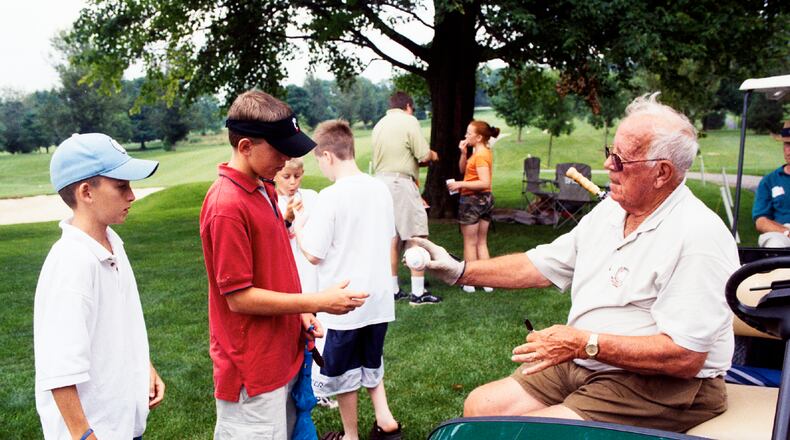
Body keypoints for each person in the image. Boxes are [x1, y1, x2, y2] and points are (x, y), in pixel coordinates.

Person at [412, 93, 740, 433]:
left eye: (622, 161)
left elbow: (685, 357)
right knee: (480, 408)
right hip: (586, 359)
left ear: (662, 173)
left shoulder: (699, 236)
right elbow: (541, 264)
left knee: (523, 434)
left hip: (662, 386)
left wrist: (584, 343)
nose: (610, 166)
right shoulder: (612, 210)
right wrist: (459, 270)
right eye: (610, 153)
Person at [199, 90, 368, 440]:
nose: (288, 157)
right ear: (245, 147)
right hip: (253, 372)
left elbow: (272, 270)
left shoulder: (262, 188)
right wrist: (316, 302)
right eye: (279, 149)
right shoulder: (227, 205)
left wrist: (299, 315)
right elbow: (239, 298)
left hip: (282, 356)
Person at [34, 133, 165, 440]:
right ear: (86, 192)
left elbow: (119, 326)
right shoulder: (72, 262)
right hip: (94, 433)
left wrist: (143, 365)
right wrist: (83, 435)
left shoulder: (112, 244)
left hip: (120, 425)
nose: (132, 195)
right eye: (121, 186)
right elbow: (59, 368)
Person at [294, 120, 402, 440]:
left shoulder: (331, 196)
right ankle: (386, 422)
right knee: (370, 361)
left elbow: (313, 253)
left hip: (344, 301)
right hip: (378, 297)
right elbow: (388, 237)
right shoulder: (379, 188)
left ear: (327, 155)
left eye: (318, 160)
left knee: (342, 374)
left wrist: (300, 223)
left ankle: (351, 436)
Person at [372, 91, 442, 305]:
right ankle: (418, 293)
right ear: (409, 106)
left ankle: (393, 289)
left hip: (380, 184)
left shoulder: (379, 125)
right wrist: (433, 155)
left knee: (392, 238)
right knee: (415, 234)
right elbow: (422, 155)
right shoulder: (409, 121)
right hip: (400, 183)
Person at [447, 120, 499, 293]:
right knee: (481, 242)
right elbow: (464, 170)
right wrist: (463, 153)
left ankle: (470, 281)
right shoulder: (479, 152)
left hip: (472, 201)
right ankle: (488, 281)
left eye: (469, 133)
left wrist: (460, 185)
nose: (466, 136)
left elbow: (484, 182)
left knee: (470, 242)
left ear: (478, 137)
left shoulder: (481, 155)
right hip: (484, 201)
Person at [753, 120, 790, 248]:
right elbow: (761, 221)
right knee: (774, 245)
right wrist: (786, 232)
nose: (789, 151)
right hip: (781, 234)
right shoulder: (769, 181)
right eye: (787, 144)